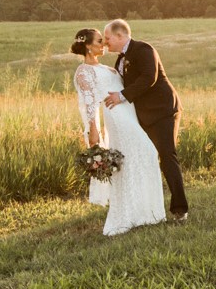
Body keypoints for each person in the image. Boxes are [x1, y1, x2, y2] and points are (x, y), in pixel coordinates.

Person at [71, 28, 165, 235]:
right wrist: (92, 130)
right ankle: (127, 214)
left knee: (140, 156)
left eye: (104, 40)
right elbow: (89, 104)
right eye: (99, 41)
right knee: (147, 152)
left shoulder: (110, 69)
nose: (103, 44)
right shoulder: (84, 72)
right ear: (88, 46)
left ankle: (147, 213)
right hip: (116, 117)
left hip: (130, 114)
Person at [102, 19, 189, 221]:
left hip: (163, 111)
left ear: (120, 36)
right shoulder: (120, 60)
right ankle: (145, 206)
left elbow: (149, 77)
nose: (106, 43)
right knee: (146, 157)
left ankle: (180, 210)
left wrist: (121, 95)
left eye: (108, 38)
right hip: (143, 115)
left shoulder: (143, 49)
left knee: (167, 156)